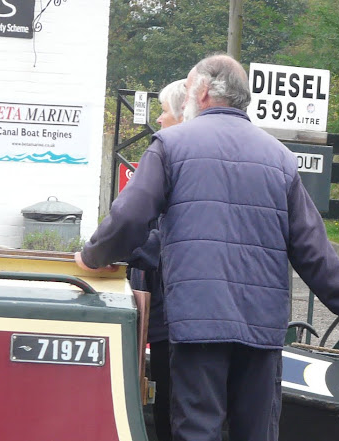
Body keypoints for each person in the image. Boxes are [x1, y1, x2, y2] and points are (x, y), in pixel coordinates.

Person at [76, 53, 339, 441]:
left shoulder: (170, 146)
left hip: (197, 319)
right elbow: (313, 248)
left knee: (197, 429)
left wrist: (91, 257)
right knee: (256, 432)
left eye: (189, 89)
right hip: (262, 326)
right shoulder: (281, 158)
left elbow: (128, 218)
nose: (187, 97)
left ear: (203, 91)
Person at [127, 78, 187, 441]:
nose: (160, 120)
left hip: (174, 311)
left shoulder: (172, 156)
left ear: (182, 115)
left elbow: (160, 233)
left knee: (174, 405)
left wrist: (113, 252)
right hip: (173, 308)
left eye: (164, 112)